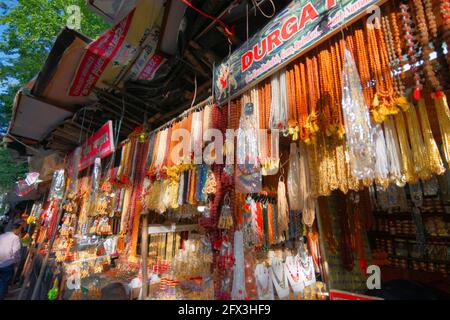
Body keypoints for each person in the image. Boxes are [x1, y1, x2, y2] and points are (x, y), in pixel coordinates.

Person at [0, 221, 23, 300]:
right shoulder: (15, 238)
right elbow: (16, 252)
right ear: (17, 229)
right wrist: (18, 261)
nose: (20, 232)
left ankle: (4, 293)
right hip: (7, 264)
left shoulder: (2, 235)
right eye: (20, 230)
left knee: (3, 282)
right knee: (4, 282)